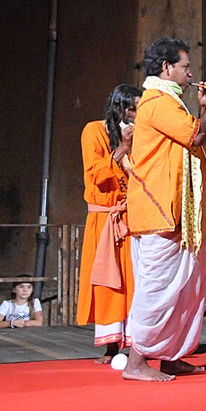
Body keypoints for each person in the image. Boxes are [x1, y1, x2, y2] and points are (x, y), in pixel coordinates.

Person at [123, 37, 206, 382]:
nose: (191, 73)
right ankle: (136, 362)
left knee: (186, 289)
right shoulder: (157, 101)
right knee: (158, 290)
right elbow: (195, 137)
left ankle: (171, 355)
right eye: (186, 67)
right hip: (161, 211)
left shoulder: (170, 102)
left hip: (180, 215)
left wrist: (203, 109)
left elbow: (188, 137)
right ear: (166, 68)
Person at [77, 84, 142, 363]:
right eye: (133, 109)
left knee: (135, 282)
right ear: (119, 107)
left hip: (133, 218)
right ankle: (111, 346)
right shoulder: (94, 130)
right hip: (105, 218)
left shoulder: (142, 134)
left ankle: (138, 343)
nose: (137, 114)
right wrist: (123, 147)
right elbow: (95, 174)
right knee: (108, 282)